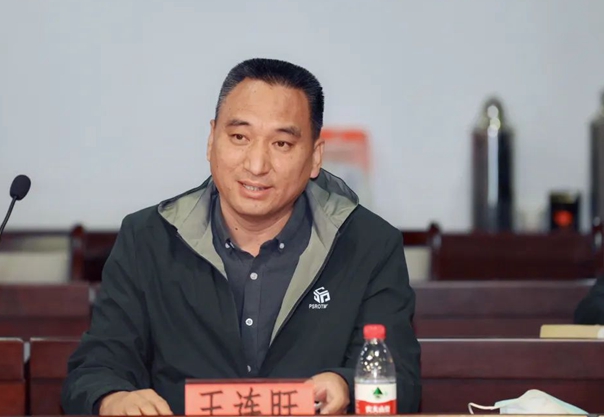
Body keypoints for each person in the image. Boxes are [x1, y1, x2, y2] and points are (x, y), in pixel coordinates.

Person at [61, 58, 421, 415]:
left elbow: (400, 382)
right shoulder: (149, 239)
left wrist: (346, 385)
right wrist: (113, 398)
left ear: (314, 157)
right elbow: (95, 369)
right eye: (239, 137)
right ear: (211, 140)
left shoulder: (368, 244)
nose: (256, 165)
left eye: (282, 144)